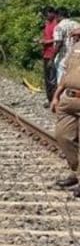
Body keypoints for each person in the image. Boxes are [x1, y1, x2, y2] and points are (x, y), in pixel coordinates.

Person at [51, 26, 80, 192]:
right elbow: (65, 76)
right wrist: (56, 96)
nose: (75, 37)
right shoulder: (74, 50)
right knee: (62, 135)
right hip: (68, 98)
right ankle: (75, 172)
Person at [42, 8, 60, 105]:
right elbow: (46, 36)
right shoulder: (47, 23)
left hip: (52, 54)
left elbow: (58, 40)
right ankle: (49, 99)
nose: (46, 16)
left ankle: (54, 100)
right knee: (47, 79)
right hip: (46, 54)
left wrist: (47, 42)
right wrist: (42, 40)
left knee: (52, 79)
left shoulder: (57, 24)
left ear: (52, 13)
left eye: (47, 14)